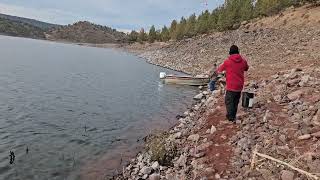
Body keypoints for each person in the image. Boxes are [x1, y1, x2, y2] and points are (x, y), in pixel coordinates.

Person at [216, 45, 249, 123]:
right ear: (238, 51)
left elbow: (219, 70)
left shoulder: (227, 61)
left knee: (229, 101)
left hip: (231, 86)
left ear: (230, 52)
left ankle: (231, 118)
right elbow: (246, 68)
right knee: (235, 101)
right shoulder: (243, 61)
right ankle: (233, 115)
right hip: (239, 85)